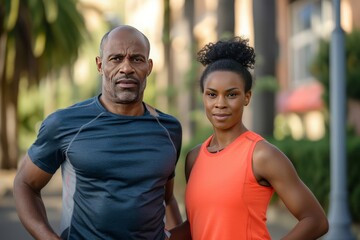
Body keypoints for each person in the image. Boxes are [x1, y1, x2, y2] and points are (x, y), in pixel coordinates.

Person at [13, 25, 183, 239]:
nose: (126, 68)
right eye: (116, 58)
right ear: (100, 64)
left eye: (137, 59)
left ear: (149, 67)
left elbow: (166, 198)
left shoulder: (169, 129)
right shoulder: (65, 124)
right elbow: (25, 184)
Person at [181, 37, 329, 239]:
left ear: (247, 97)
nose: (220, 103)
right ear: (203, 97)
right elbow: (198, 223)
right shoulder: (194, 158)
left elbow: (316, 220)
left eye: (232, 95)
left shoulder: (261, 155)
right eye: (212, 94)